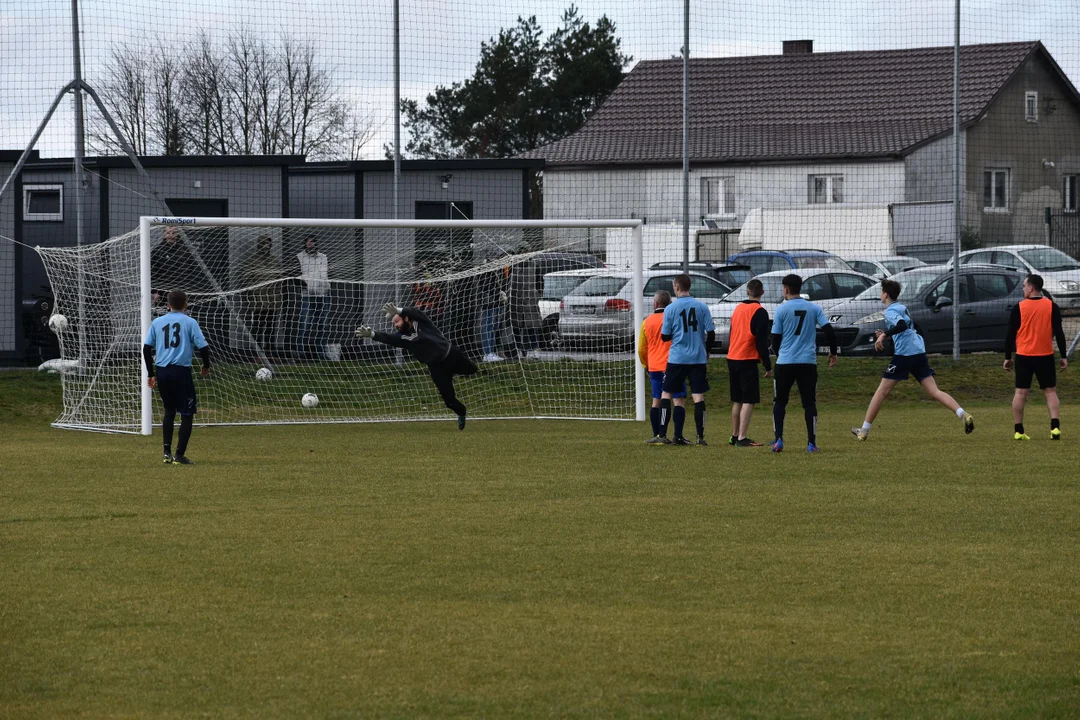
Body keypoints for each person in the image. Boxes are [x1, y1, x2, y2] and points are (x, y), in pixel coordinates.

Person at [852, 278, 974, 440]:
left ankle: (864, 431)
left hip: (905, 355)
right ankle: (963, 415)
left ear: (886, 294)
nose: (880, 295)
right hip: (918, 351)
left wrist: (884, 336)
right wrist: (886, 335)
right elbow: (908, 328)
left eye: (881, 292)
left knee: (881, 392)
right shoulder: (902, 307)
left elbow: (901, 326)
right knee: (935, 391)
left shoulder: (890, 311)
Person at [356, 302, 479, 429]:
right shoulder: (403, 338)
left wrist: (399, 310)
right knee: (449, 401)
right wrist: (372, 335)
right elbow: (389, 338)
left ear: (406, 318)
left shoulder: (421, 322)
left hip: (451, 355)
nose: (395, 325)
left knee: (473, 370)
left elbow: (415, 312)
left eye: (397, 321)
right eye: (394, 323)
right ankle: (462, 413)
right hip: (436, 368)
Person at [770, 274, 838, 453]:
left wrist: (780, 354)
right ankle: (811, 443)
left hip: (785, 362)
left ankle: (778, 440)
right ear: (800, 288)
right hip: (807, 363)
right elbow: (829, 331)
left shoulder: (781, 310)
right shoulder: (814, 308)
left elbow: (775, 338)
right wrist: (833, 352)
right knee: (809, 403)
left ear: (785, 289)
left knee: (780, 401)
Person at [142, 290, 211, 465]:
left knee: (169, 411)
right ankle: (179, 455)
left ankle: (166, 452)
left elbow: (146, 349)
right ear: (186, 305)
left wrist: (151, 373)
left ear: (168, 305)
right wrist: (206, 365)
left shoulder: (158, 322)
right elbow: (203, 347)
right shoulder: (190, 322)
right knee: (187, 414)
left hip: (163, 371)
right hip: (181, 372)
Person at [1004, 273, 1068, 440]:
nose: (1023, 289)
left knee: (1020, 393)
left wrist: (1007, 357)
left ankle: (1018, 431)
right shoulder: (1051, 306)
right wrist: (1063, 355)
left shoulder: (1019, 307)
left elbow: (1010, 335)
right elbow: (1059, 333)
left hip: (1024, 356)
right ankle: (1055, 428)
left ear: (1031, 288)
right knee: (1050, 392)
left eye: (1024, 286)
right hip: (1045, 355)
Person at [657, 274, 715, 446]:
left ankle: (662, 435)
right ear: (690, 286)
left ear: (676, 287)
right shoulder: (701, 307)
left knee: (666, 393)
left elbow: (665, 336)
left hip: (677, 358)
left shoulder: (670, 309)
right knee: (698, 396)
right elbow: (711, 332)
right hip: (697, 358)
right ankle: (700, 437)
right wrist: (707, 350)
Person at [726, 278, 773, 447]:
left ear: (747, 292)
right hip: (747, 358)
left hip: (732, 357)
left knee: (737, 399)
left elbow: (732, 332)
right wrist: (767, 365)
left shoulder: (738, 308)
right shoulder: (759, 311)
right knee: (749, 400)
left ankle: (734, 435)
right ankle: (742, 438)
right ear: (762, 293)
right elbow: (761, 341)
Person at [637, 289, 685, 444]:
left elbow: (641, 349)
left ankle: (658, 434)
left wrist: (646, 365)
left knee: (657, 400)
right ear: (670, 303)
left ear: (655, 303)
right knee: (678, 400)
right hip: (674, 364)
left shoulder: (647, 321)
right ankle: (678, 435)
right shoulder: (674, 318)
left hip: (655, 366)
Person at [243, 235, 281, 357]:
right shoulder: (252, 261)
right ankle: (256, 353)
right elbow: (246, 279)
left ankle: (270, 353)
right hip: (259, 301)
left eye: (268, 244)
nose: (266, 246)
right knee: (258, 327)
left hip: (272, 301)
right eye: (264, 244)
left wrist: (277, 297)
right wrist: (253, 294)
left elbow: (280, 279)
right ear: (259, 245)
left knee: (271, 328)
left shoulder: (274, 261)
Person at [295, 235, 330, 360]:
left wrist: (325, 285)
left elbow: (328, 273)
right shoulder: (299, 257)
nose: (311, 244)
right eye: (309, 242)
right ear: (305, 244)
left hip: (323, 295)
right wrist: (306, 285)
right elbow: (294, 276)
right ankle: (299, 353)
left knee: (322, 324)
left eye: (313, 242)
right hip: (307, 296)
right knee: (305, 324)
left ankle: (320, 352)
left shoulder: (323, 257)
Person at [480, 265, 510, 362]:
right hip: (489, 303)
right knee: (488, 328)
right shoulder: (486, 269)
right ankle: (487, 353)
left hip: (497, 302)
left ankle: (491, 352)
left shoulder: (500, 269)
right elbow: (486, 286)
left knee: (493, 328)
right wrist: (498, 293)